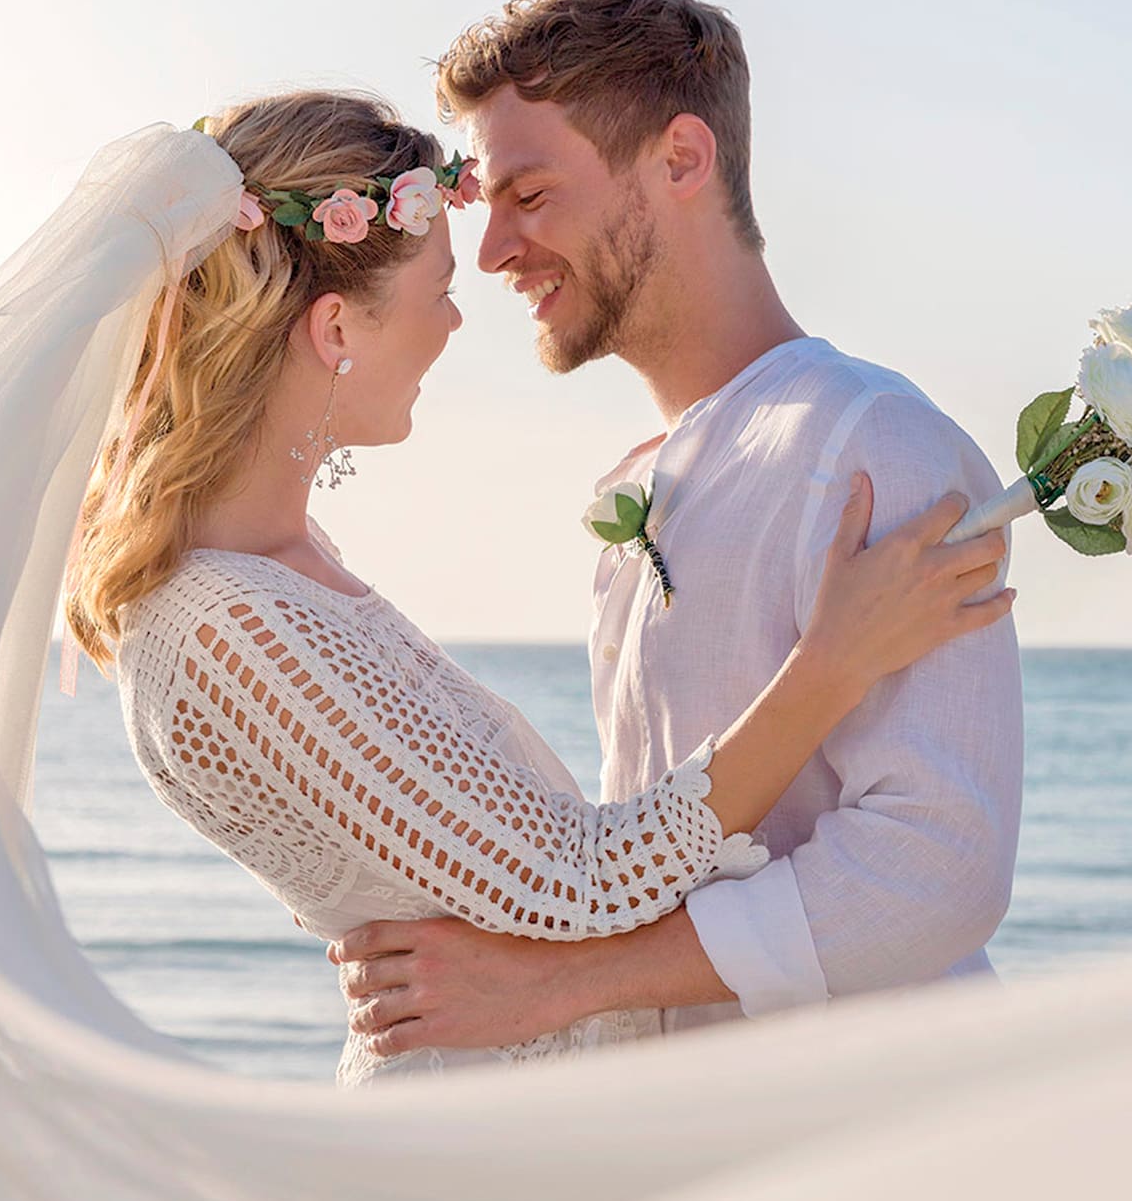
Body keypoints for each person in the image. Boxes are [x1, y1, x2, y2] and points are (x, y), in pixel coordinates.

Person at [62, 91, 1013, 1088]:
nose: (458, 314)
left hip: (529, 1125)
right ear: (335, 325)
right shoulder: (227, 625)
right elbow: (582, 876)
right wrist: (831, 666)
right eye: (434, 291)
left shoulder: (281, 571)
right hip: (463, 1150)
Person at [330, 0, 1026, 1056]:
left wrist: (560, 986)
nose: (495, 253)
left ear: (681, 160)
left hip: (871, 1143)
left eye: (529, 195)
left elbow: (934, 868)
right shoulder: (639, 483)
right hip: (689, 1144)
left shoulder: (876, 447)